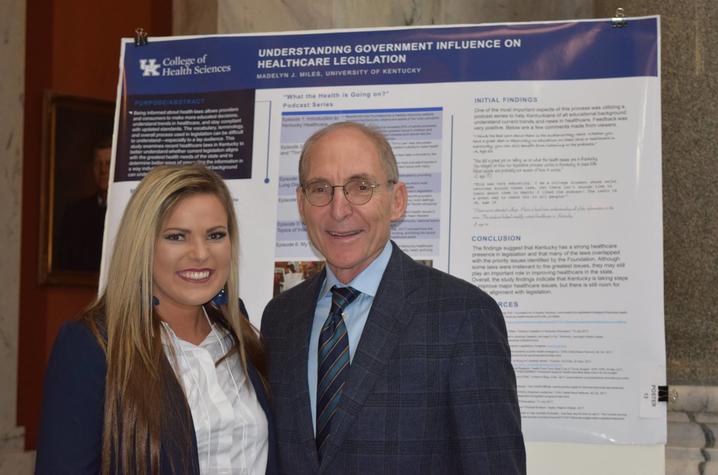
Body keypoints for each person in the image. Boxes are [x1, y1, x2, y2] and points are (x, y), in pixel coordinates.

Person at [261, 122, 525, 474]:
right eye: (320, 188)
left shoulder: (463, 315)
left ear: (397, 201)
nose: (339, 209)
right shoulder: (280, 318)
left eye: (360, 187)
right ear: (301, 204)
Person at [37, 164, 276, 474]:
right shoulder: (91, 346)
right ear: (142, 245)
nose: (201, 253)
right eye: (177, 236)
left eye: (215, 235)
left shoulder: (238, 329)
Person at [56, 136, 112, 271]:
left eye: (108, 163)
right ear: (92, 167)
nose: (103, 170)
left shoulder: (129, 211)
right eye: (98, 163)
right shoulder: (74, 214)